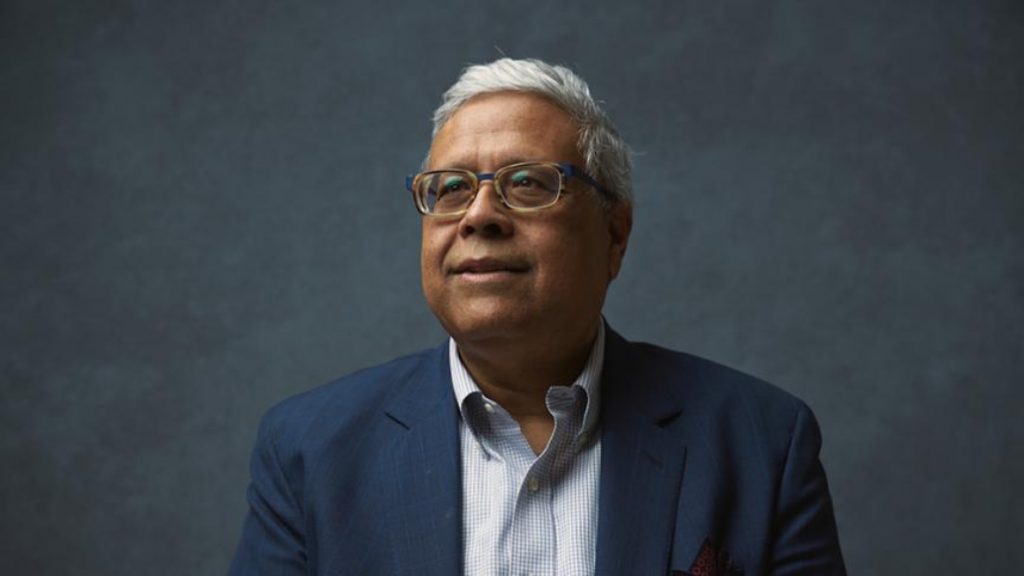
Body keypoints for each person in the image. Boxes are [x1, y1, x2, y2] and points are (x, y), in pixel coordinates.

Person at [228, 58, 846, 576]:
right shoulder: (310, 449)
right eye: (450, 189)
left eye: (527, 183)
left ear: (614, 235)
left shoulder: (763, 441)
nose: (479, 215)